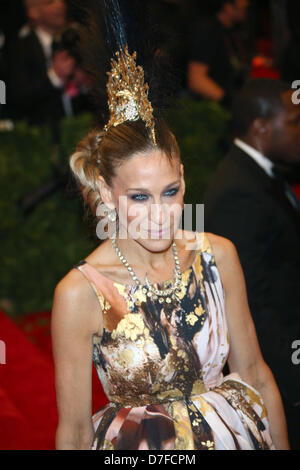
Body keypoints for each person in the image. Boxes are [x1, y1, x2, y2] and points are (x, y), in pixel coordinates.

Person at [51, 2, 288, 450]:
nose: (160, 213)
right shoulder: (80, 294)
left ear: (185, 181)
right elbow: (75, 431)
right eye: (139, 196)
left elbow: (255, 374)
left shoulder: (218, 255)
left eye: (171, 191)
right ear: (106, 193)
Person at [203, 78, 300, 449]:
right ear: (261, 127)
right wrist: (289, 377)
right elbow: (249, 304)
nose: (299, 129)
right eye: (293, 121)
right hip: (279, 368)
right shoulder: (238, 192)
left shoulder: (261, 171)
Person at [6, 0, 75, 126]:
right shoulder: (19, 49)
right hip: (41, 136)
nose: (59, 4)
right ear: (33, 12)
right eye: (50, 2)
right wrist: (54, 75)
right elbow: (17, 98)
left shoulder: (74, 39)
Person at [187, 0, 250, 105]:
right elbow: (196, 80)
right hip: (210, 110)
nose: (246, 3)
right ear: (227, 6)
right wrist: (229, 102)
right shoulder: (208, 31)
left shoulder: (233, 31)